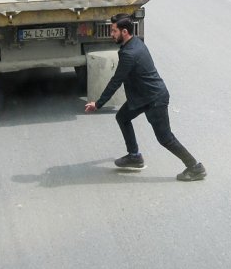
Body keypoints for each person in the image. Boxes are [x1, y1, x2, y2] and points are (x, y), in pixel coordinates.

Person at [84, 14, 206, 182]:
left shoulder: (129, 53)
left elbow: (116, 81)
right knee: (122, 117)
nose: (111, 34)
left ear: (124, 31)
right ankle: (134, 156)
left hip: (154, 98)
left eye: (113, 31)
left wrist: (98, 104)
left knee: (165, 138)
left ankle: (195, 167)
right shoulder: (135, 43)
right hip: (142, 96)